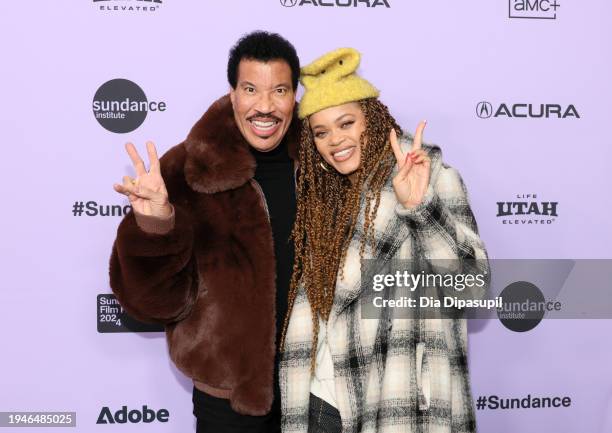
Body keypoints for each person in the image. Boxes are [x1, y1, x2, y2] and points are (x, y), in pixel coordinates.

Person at [279, 48, 490, 433]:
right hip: (322, 403)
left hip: (398, 404)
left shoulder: (432, 178)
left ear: (372, 120)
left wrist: (420, 209)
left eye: (346, 123)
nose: (335, 140)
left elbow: (472, 290)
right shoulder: (321, 197)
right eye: (321, 132)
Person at [108, 31, 300, 433]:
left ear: (294, 96)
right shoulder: (185, 170)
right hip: (227, 397)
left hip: (318, 394)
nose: (264, 106)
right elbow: (150, 302)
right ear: (233, 94)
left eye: (279, 90)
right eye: (251, 89)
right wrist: (155, 225)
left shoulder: (321, 163)